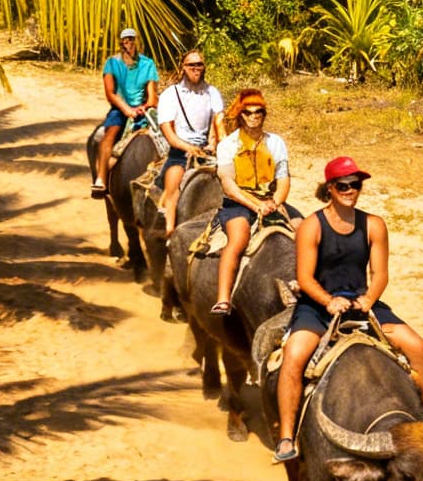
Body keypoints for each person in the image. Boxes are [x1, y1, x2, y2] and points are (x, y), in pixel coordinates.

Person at [272, 155, 423, 465]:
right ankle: (287, 435)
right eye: (343, 185)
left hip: (362, 302)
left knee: (417, 346)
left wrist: (370, 299)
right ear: (329, 188)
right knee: (293, 355)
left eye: (355, 185)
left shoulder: (374, 224)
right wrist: (327, 301)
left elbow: (381, 274)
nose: (350, 191)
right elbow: (305, 278)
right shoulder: (311, 226)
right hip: (318, 305)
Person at [209, 89, 294, 314]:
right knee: (238, 240)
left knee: (308, 231)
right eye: (248, 112)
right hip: (239, 203)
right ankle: (223, 298)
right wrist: (256, 206)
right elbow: (229, 186)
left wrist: (275, 202)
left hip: (271, 201)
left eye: (259, 112)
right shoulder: (228, 145)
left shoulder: (275, 142)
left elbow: (284, 179)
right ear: (241, 115)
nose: (254, 116)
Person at [154, 49, 225, 232]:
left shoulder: (212, 92)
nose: (195, 68)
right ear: (183, 68)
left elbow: (218, 121)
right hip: (180, 150)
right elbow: (168, 131)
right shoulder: (171, 94)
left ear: (204, 67)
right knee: (174, 180)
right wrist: (187, 147)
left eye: (199, 64)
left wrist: (214, 142)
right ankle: (169, 230)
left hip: (206, 151)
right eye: (191, 64)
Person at [91, 27, 159, 197]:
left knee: (164, 136)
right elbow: (110, 93)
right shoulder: (112, 63)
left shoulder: (147, 64)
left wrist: (145, 107)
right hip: (120, 108)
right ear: (121, 43)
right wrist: (127, 110)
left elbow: (152, 95)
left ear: (137, 42)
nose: (128, 43)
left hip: (144, 110)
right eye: (125, 40)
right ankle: (101, 178)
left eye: (131, 39)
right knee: (110, 133)